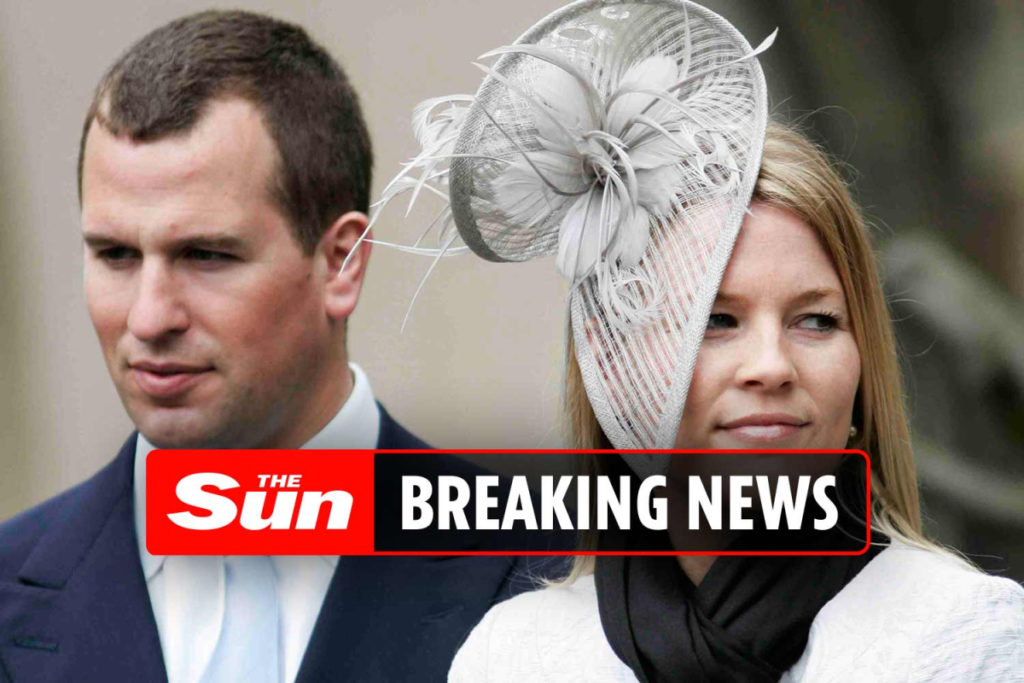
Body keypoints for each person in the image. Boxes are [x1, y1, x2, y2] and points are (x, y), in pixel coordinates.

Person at [354, 0, 1022, 679]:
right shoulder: (519, 654)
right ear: (610, 362)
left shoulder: (963, 634)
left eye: (817, 320)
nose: (772, 366)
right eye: (716, 321)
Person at [0, 10, 562, 683]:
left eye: (206, 255)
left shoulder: (552, 582)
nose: (148, 318)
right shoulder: (10, 589)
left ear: (341, 263)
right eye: (115, 254)